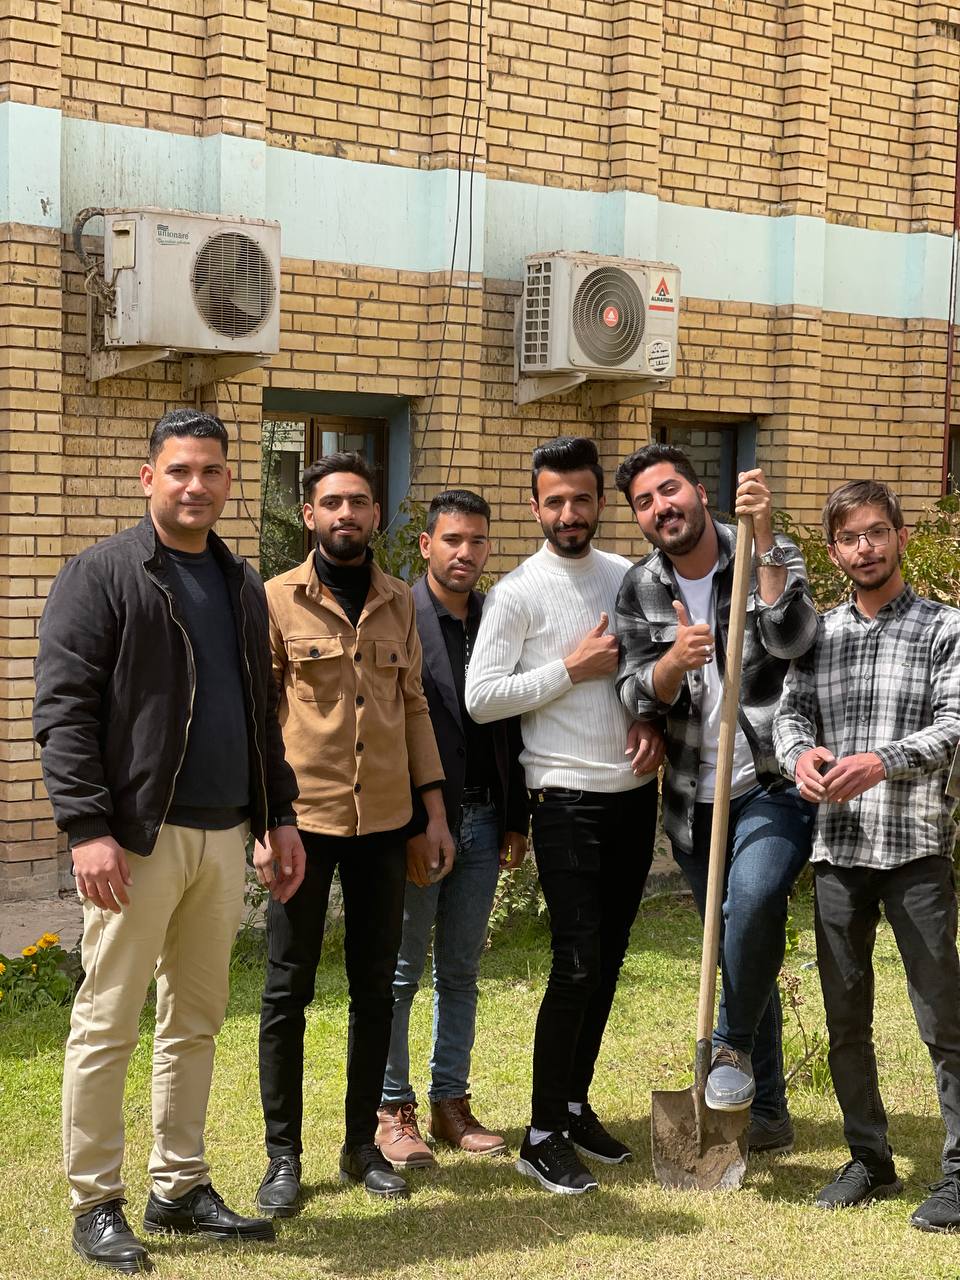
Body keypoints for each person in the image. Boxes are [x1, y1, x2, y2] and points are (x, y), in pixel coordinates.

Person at [34, 408, 302, 1274]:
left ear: (229, 479)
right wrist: (88, 826)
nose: (197, 485)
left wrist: (279, 815)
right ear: (149, 477)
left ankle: (179, 1187)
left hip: (223, 836)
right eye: (180, 470)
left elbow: (262, 712)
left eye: (212, 470)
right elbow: (65, 709)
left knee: (196, 1020)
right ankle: (95, 1203)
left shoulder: (239, 583)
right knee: (108, 1019)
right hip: (136, 839)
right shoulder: (102, 574)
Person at [254, 451, 454, 1215]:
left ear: (375, 514)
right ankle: (283, 1156)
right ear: (310, 514)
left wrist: (433, 814)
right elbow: (261, 717)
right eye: (333, 502)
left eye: (360, 502)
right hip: (302, 825)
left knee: (376, 987)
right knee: (287, 989)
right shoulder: (276, 599)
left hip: (385, 825)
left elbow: (414, 707)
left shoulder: (399, 600)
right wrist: (267, 821)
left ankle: (360, 1146)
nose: (347, 514)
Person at [466, 436, 662, 1195]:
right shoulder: (517, 592)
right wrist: (568, 670)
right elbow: (482, 697)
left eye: (582, 499)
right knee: (575, 960)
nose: (569, 512)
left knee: (608, 959)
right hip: (562, 798)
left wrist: (649, 718)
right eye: (555, 501)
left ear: (601, 502)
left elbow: (647, 671)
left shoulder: (628, 577)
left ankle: (575, 1106)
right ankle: (541, 1132)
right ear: (535, 506)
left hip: (631, 794)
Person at [614, 442, 817, 1156]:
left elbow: (793, 638)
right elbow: (633, 689)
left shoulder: (763, 550)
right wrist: (673, 662)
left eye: (669, 490)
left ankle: (727, 1046)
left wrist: (765, 539)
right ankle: (768, 1114)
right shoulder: (641, 586)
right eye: (644, 502)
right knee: (740, 950)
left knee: (753, 904)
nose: (660, 507)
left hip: (769, 781)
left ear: (699, 492)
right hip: (693, 800)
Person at [774, 479, 960, 1228]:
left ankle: (958, 1172)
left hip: (915, 849)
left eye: (877, 532)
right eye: (850, 538)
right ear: (833, 552)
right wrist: (798, 755)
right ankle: (869, 1159)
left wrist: (882, 761)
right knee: (845, 1016)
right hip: (840, 851)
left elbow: (955, 722)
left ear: (901, 537)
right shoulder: (818, 635)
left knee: (941, 1017)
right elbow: (790, 713)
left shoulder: (944, 628)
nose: (865, 548)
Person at [376, 489, 530, 1167]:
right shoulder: (399, 616)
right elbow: (390, 727)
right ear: (426, 545)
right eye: (452, 540)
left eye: (477, 541)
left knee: (461, 969)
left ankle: (450, 1103)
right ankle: (392, 1108)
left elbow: (513, 719)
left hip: (486, 817)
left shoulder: (497, 617)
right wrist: (415, 820)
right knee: (402, 971)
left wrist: (516, 817)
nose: (465, 553)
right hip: (418, 822)